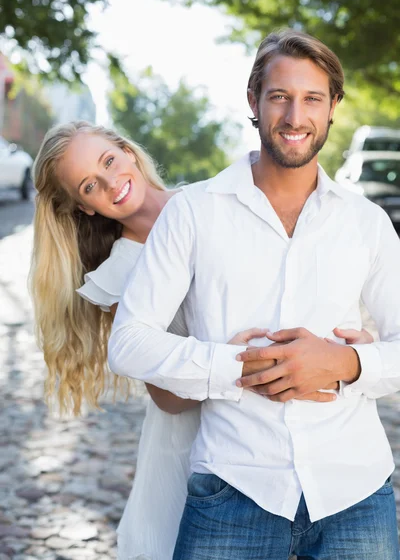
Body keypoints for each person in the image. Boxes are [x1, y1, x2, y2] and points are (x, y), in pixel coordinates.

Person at [108, 29, 400, 560]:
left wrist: (347, 362)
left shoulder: (368, 223)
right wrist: (235, 368)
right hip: (232, 487)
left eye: (312, 98)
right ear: (253, 101)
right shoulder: (193, 212)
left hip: (355, 488)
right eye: (279, 97)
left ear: (334, 106)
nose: (295, 116)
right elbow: (128, 341)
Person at [30, 121, 366, 559]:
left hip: (288, 433)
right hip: (194, 444)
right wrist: (237, 364)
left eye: (109, 161)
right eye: (90, 185)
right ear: (83, 206)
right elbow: (168, 400)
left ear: (127, 150)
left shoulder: (210, 204)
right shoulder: (119, 274)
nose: (112, 183)